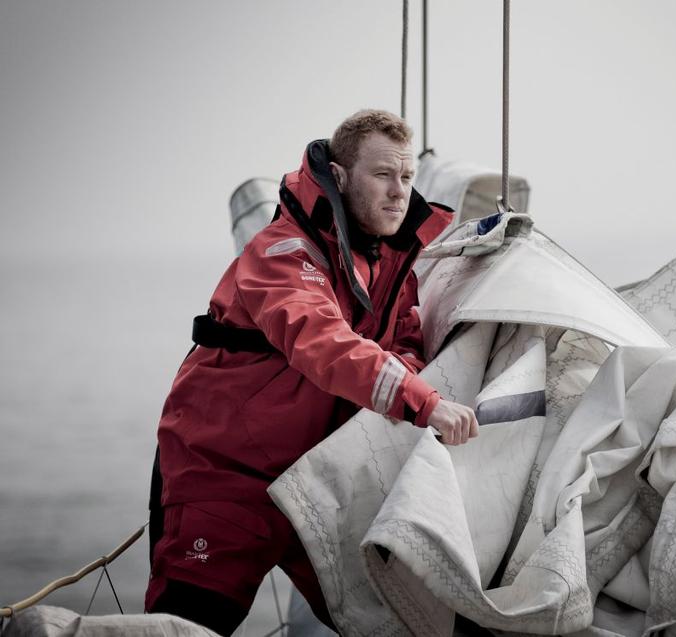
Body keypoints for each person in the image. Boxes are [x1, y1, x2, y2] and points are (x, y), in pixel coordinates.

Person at [145, 109, 479, 635]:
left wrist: (412, 373)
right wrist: (424, 402)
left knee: (396, 620)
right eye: (383, 175)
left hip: (316, 477)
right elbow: (320, 339)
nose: (399, 192)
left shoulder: (386, 261)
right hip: (225, 476)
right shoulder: (282, 253)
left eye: (407, 177)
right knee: (190, 623)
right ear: (340, 178)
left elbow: (405, 340)